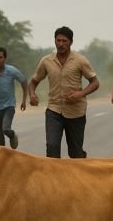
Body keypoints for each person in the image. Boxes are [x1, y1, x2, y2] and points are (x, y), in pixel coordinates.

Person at [28, 26, 99, 158]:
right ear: (54, 41)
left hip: (76, 112)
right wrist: (32, 94)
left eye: (64, 41)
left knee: (75, 153)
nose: (61, 44)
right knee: (52, 147)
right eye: (58, 40)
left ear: (71, 42)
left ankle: (80, 167)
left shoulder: (80, 60)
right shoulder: (46, 61)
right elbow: (33, 81)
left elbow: (95, 82)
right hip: (54, 110)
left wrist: (80, 94)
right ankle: (54, 172)